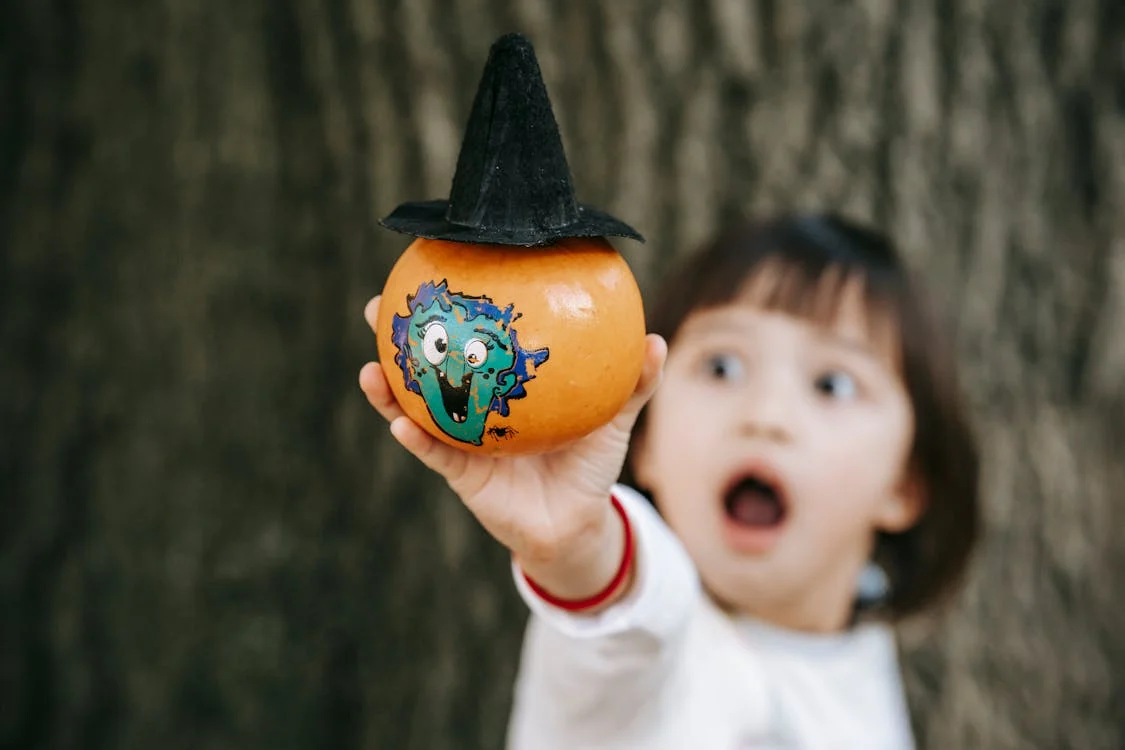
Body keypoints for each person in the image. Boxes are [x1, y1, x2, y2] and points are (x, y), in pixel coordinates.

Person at [359, 213, 980, 749]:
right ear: (647, 442)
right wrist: (574, 548)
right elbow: (626, 603)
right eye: (721, 365)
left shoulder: (860, 651)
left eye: (832, 385)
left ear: (904, 485)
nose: (764, 416)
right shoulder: (638, 638)